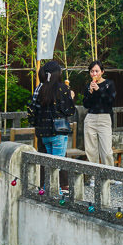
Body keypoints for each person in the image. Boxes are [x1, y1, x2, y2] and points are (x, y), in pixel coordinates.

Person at [27, 59, 77, 191]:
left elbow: (34, 110)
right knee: (57, 165)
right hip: (58, 132)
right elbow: (69, 111)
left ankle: (46, 188)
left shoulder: (41, 88)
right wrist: (71, 98)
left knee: (49, 164)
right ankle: (56, 192)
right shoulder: (62, 88)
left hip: (44, 133)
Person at [82, 60, 117, 165]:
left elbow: (110, 101)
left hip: (104, 118)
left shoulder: (109, 84)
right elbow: (86, 104)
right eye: (92, 71)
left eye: (97, 71)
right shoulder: (89, 86)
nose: (94, 74)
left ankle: (109, 177)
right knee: (91, 151)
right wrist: (90, 93)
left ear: (102, 71)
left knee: (106, 151)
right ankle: (93, 177)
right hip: (90, 118)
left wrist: (99, 90)